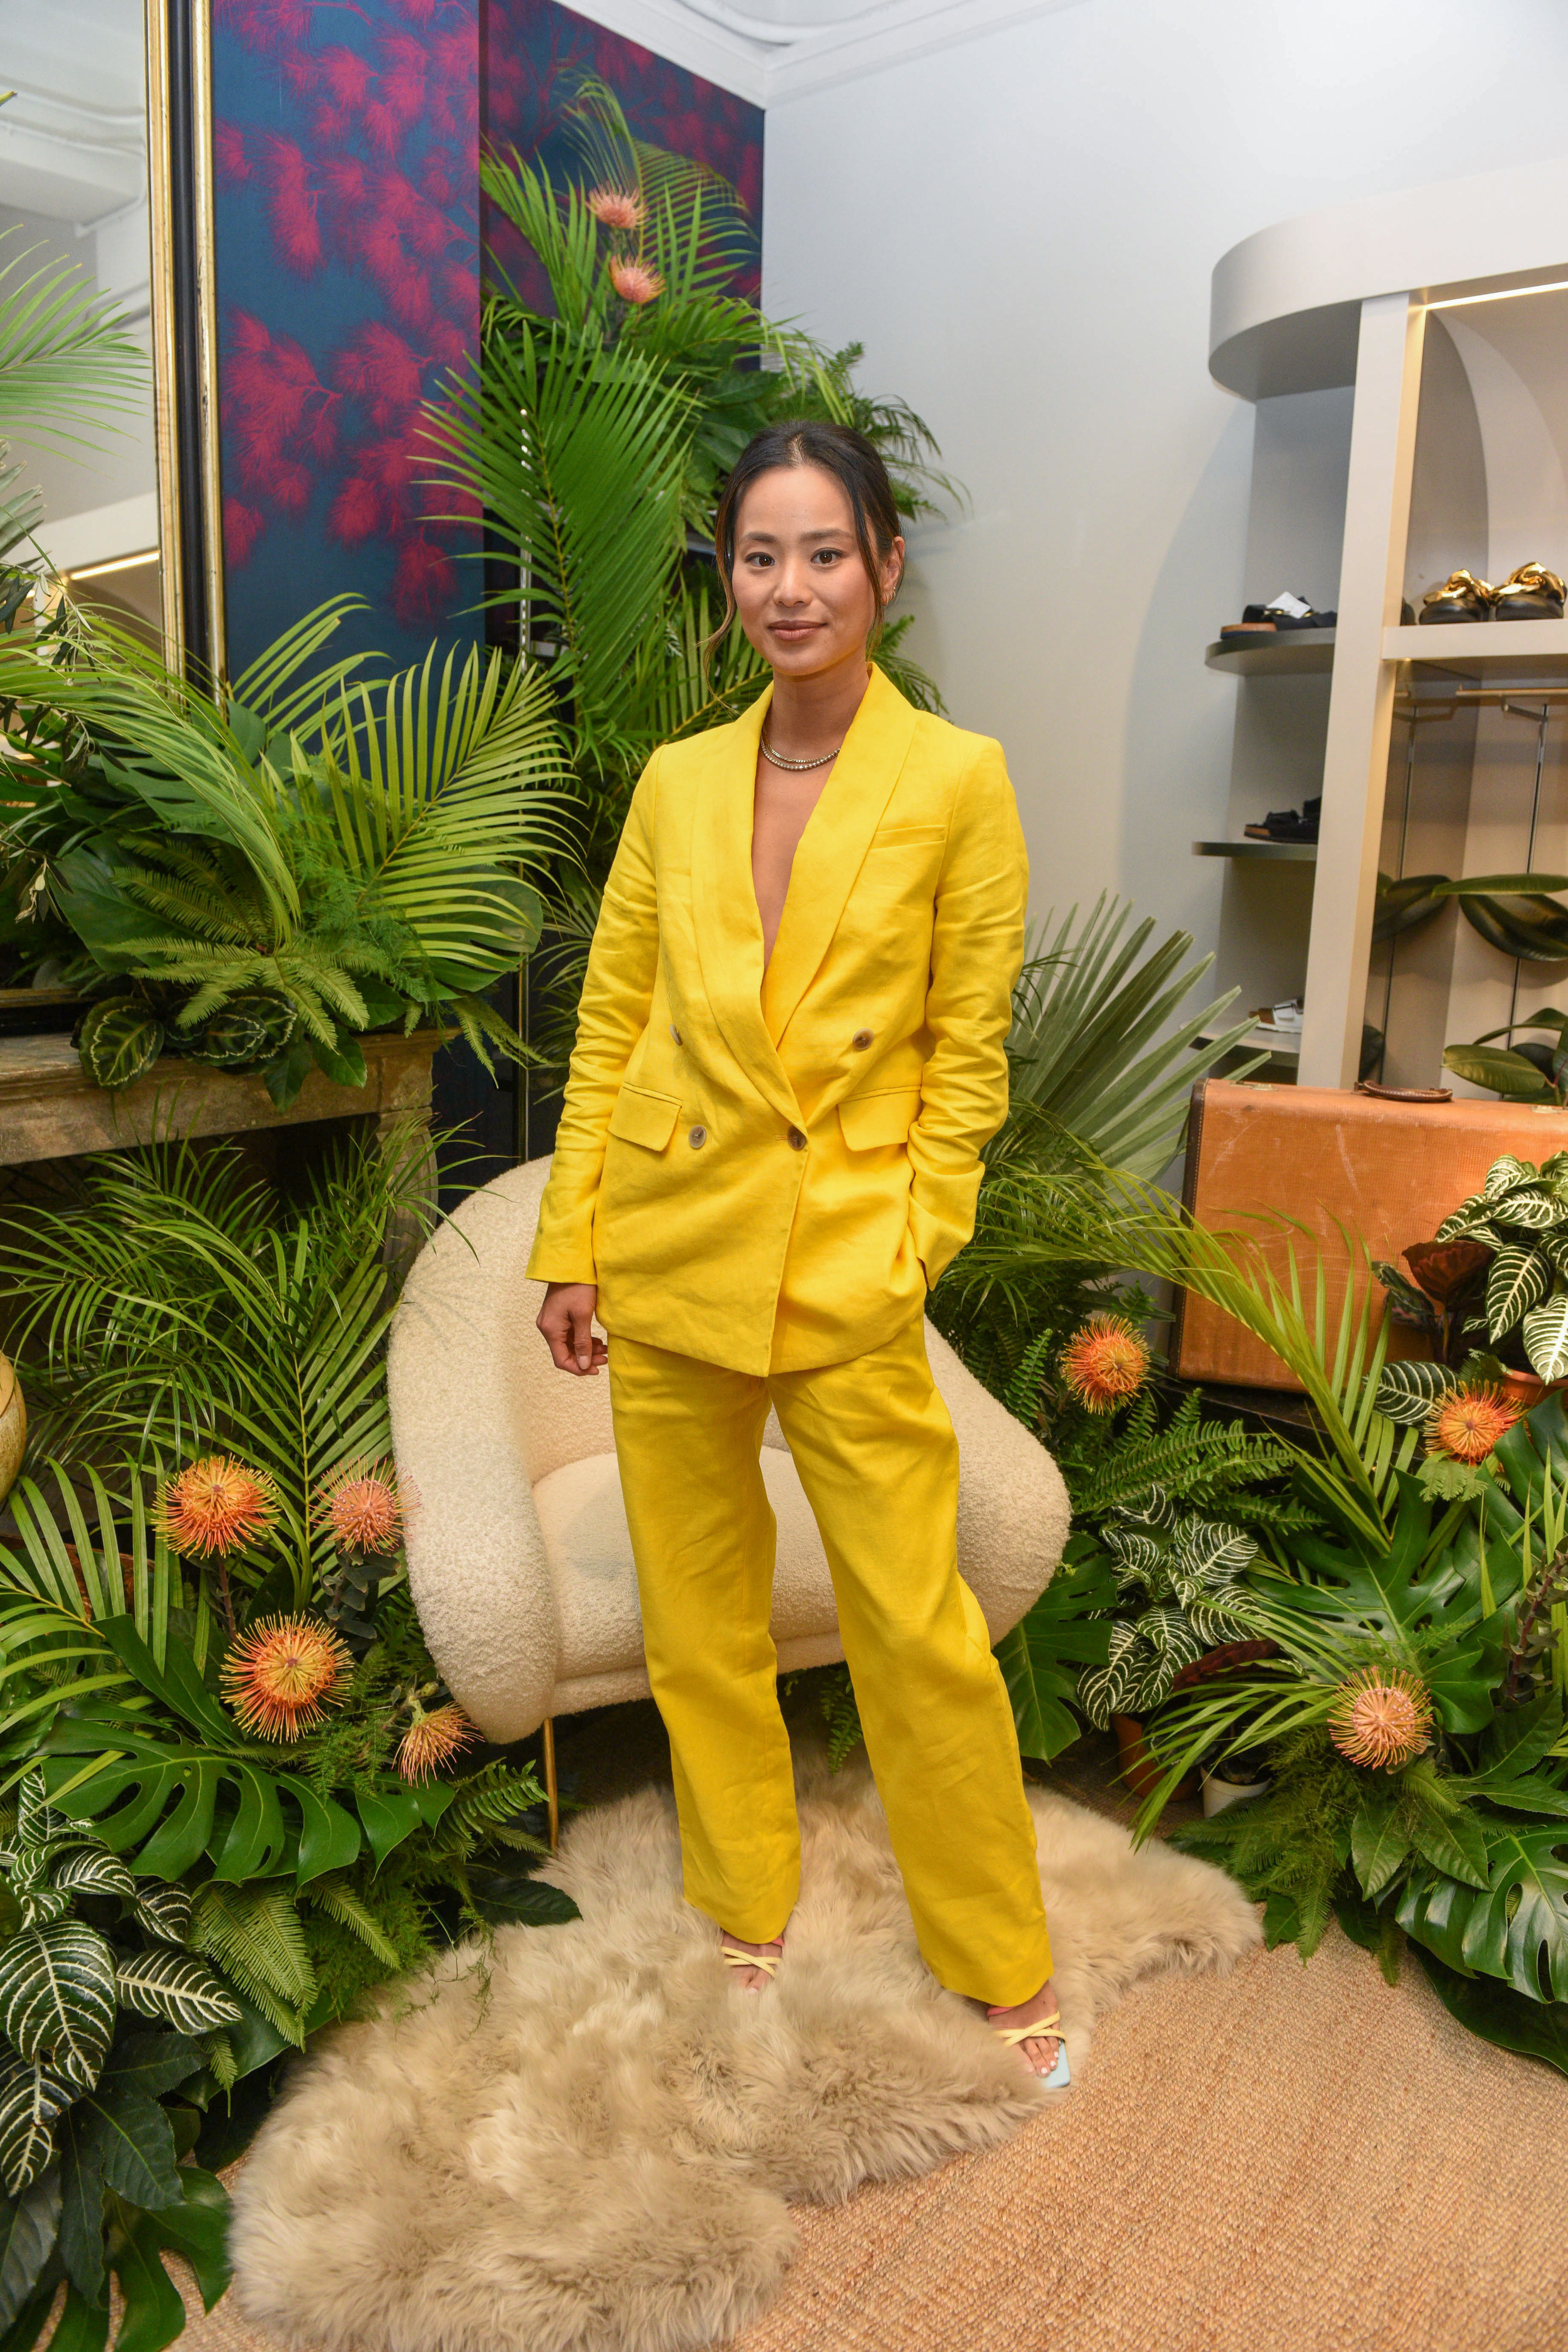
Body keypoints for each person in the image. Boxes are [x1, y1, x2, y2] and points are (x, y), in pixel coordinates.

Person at [528, 419, 1064, 2079]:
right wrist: (574, 1244)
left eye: (824, 550)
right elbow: (613, 1017)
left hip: (845, 1267)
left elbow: (967, 1058)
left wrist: (913, 1242)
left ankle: (1000, 1953)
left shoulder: (957, 780)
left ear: (886, 568)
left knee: (916, 1625)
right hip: (671, 1239)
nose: (791, 584)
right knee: (701, 1619)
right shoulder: (679, 780)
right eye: (760, 554)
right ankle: (744, 1902)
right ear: (729, 579)